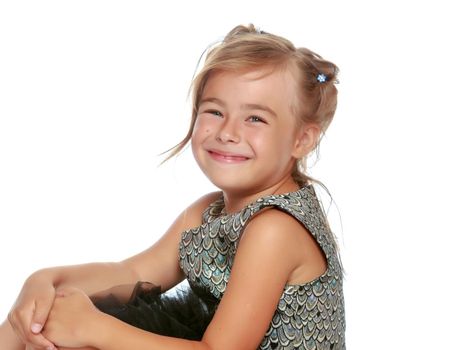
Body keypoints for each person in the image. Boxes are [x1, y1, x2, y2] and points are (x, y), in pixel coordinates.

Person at [0, 23, 345, 350]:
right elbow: (132, 273)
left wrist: (94, 327)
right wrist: (46, 281)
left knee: (85, 338)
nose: (228, 132)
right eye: (214, 111)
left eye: (255, 118)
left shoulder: (276, 229)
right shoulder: (207, 211)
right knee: (38, 320)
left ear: (302, 139)